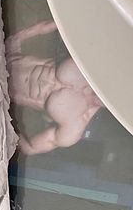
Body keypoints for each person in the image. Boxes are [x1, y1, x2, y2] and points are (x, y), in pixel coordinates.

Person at [6, 19, 104, 155]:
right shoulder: (90, 65)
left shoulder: (75, 124)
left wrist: (6, 122)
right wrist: (18, 37)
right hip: (6, 59)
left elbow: (30, 148)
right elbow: (59, 23)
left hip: (2, 91)